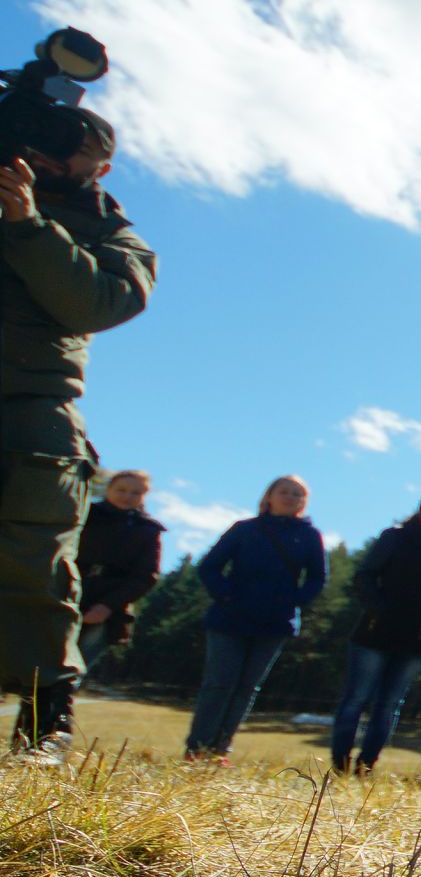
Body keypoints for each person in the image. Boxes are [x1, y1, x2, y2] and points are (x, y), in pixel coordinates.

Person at [0, 109, 154, 760]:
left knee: (36, 564)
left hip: (35, 406)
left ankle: (43, 728)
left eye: (76, 148)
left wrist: (29, 227)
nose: (54, 154)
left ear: (104, 164)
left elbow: (100, 301)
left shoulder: (113, 233)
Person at [188, 475, 328, 763]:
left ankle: (220, 749)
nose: (290, 497)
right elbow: (210, 568)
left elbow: (317, 579)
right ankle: (197, 749)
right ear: (269, 496)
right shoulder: (245, 530)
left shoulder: (310, 536)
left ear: (304, 502)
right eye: (285, 492)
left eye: (297, 494)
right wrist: (228, 596)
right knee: (219, 684)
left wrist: (292, 601)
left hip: (275, 623)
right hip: (229, 619)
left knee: (246, 688)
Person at [330, 490, 421, 777]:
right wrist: (378, 609)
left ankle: (366, 766)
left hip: (417, 640)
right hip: (375, 634)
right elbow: (364, 575)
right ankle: (340, 764)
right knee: (355, 699)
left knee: (389, 705)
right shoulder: (395, 536)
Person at [73, 468, 166, 678]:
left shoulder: (148, 530)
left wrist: (106, 606)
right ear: (109, 489)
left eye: (135, 493)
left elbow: (146, 576)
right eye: (121, 489)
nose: (127, 496)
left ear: (144, 496)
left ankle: (57, 710)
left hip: (108, 607)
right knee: (43, 664)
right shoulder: (83, 514)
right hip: (66, 592)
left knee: (73, 672)